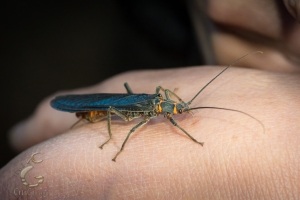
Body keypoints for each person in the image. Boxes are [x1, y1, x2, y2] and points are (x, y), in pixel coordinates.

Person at [1, 0, 299, 198]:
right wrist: (111, 146)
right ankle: (100, 128)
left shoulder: (164, 104)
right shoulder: (154, 108)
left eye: (178, 108)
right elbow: (136, 126)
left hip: (133, 96)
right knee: (123, 120)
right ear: (169, 108)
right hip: (106, 108)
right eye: (177, 108)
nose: (179, 110)